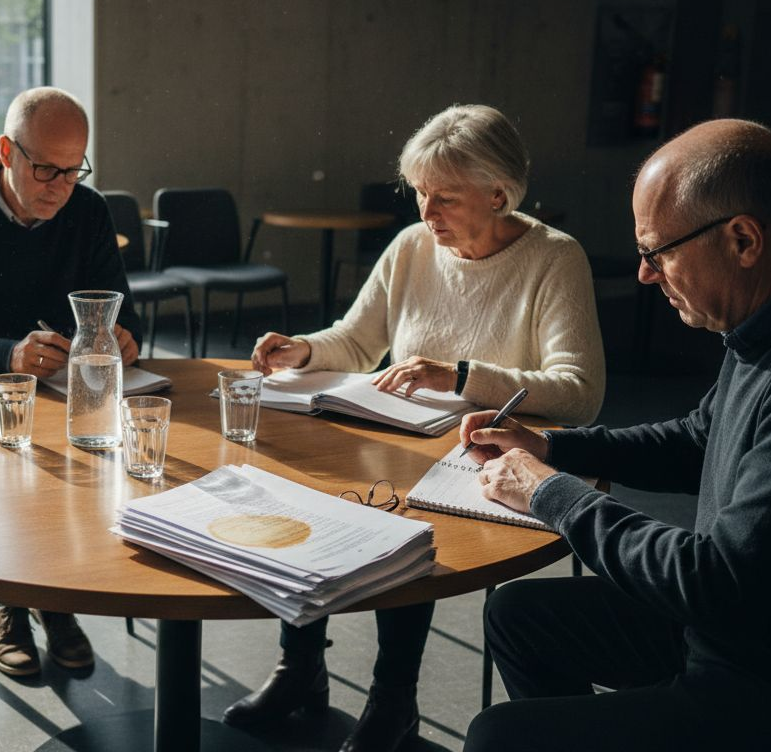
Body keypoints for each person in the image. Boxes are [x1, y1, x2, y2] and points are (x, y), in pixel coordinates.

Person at [224, 104, 606, 752]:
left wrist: (461, 375)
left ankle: (393, 698)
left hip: (484, 461)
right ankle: (301, 666)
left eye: (445, 197)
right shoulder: (411, 246)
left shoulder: (554, 258)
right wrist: (304, 350)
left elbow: (581, 393)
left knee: (399, 522)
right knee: (309, 490)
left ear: (498, 194)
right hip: (396, 443)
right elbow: (357, 340)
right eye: (420, 193)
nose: (427, 212)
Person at [461, 119, 771, 751]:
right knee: (516, 615)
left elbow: (716, 580)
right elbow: (698, 439)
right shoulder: (759, 328)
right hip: (729, 631)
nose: (644, 274)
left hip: (762, 680)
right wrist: (551, 448)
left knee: (496, 737)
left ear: (743, 239)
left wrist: (550, 492)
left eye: (657, 251)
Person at [0, 86, 144, 678]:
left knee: (94, 464)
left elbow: (124, 312)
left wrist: (124, 338)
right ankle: (9, 596)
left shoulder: (88, 210)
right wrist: (8, 353)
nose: (60, 187)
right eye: (45, 169)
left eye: (74, 169)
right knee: (15, 467)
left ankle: (53, 593)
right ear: (7, 151)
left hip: (66, 393)